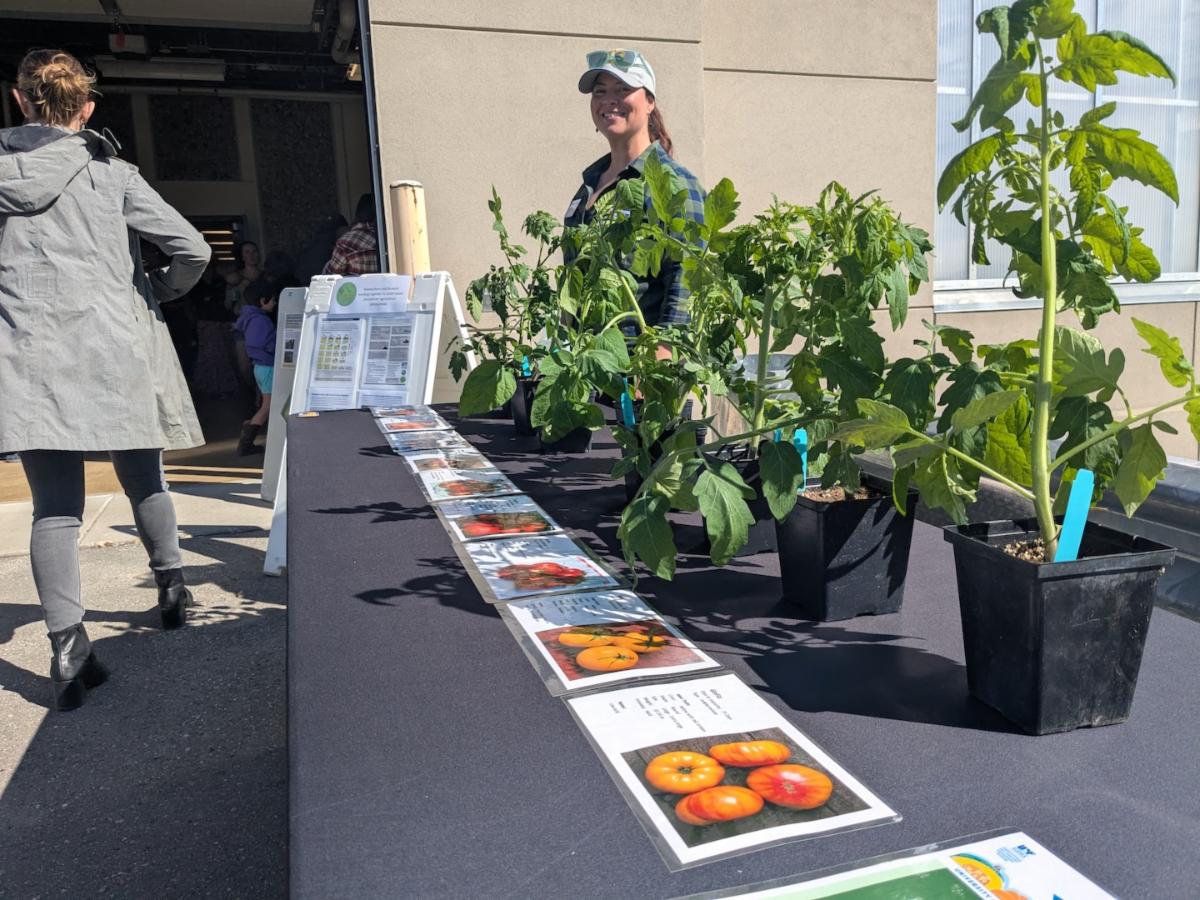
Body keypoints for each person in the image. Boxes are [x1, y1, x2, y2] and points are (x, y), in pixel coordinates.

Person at [0, 49, 210, 710]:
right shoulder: (113, 173)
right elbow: (193, 250)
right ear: (86, 109)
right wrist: (153, 294)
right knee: (144, 478)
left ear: (19, 100)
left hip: (32, 357)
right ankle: (171, 588)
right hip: (115, 351)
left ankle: (68, 649)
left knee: (55, 510)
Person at [568, 49, 705, 330]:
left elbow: (689, 279)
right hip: (585, 364)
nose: (609, 100)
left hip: (639, 364)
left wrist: (661, 359)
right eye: (599, 91)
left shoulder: (673, 183)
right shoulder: (588, 187)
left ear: (650, 102)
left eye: (624, 89)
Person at [233, 280, 278, 455]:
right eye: (272, 300)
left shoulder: (249, 318)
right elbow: (265, 343)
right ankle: (246, 443)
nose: (275, 303)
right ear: (262, 300)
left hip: (259, 366)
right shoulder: (261, 320)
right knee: (267, 406)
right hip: (267, 366)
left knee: (265, 404)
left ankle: (248, 438)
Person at [322, 193, 379, 275]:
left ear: (357, 215)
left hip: (356, 287)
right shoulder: (389, 237)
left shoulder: (346, 242)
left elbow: (331, 277)